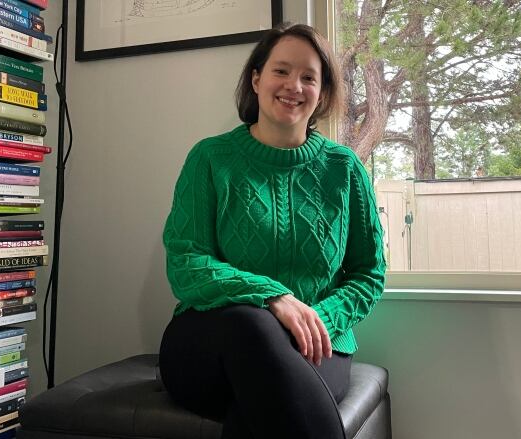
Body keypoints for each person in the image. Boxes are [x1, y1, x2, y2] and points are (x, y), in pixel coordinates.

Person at [158, 23, 387, 439]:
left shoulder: (345, 169)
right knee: (253, 323)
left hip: (318, 344)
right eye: (281, 71)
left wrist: (317, 318)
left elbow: (368, 275)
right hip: (212, 345)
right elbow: (185, 262)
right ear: (256, 78)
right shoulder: (210, 159)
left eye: (308, 77)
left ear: (323, 92)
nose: (293, 86)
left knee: (264, 404)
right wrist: (274, 298)